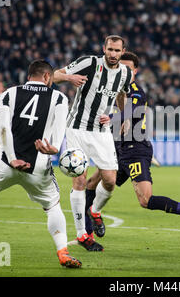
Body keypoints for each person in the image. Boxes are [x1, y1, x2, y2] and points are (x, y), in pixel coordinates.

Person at [0, 60, 81, 269]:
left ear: (29, 76)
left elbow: (4, 130)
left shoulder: (9, 94)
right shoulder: (59, 98)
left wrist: (12, 158)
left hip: (5, 164)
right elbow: (57, 136)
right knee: (52, 206)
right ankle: (63, 252)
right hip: (38, 166)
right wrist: (53, 148)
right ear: (48, 77)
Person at [83, 52, 180, 247]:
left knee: (146, 200)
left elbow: (129, 112)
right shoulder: (113, 89)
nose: (124, 71)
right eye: (121, 67)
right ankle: (88, 231)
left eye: (128, 69)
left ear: (135, 71)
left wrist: (111, 118)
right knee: (92, 182)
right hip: (119, 148)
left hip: (135, 150)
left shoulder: (136, 91)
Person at [53, 35, 133, 251]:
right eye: (110, 50)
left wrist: (123, 116)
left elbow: (122, 95)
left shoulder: (126, 73)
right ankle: (82, 235)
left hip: (101, 132)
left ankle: (95, 210)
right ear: (104, 49)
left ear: (123, 51)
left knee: (110, 180)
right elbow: (53, 75)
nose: (113, 54)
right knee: (80, 180)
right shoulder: (89, 63)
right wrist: (70, 79)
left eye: (117, 51)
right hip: (77, 129)